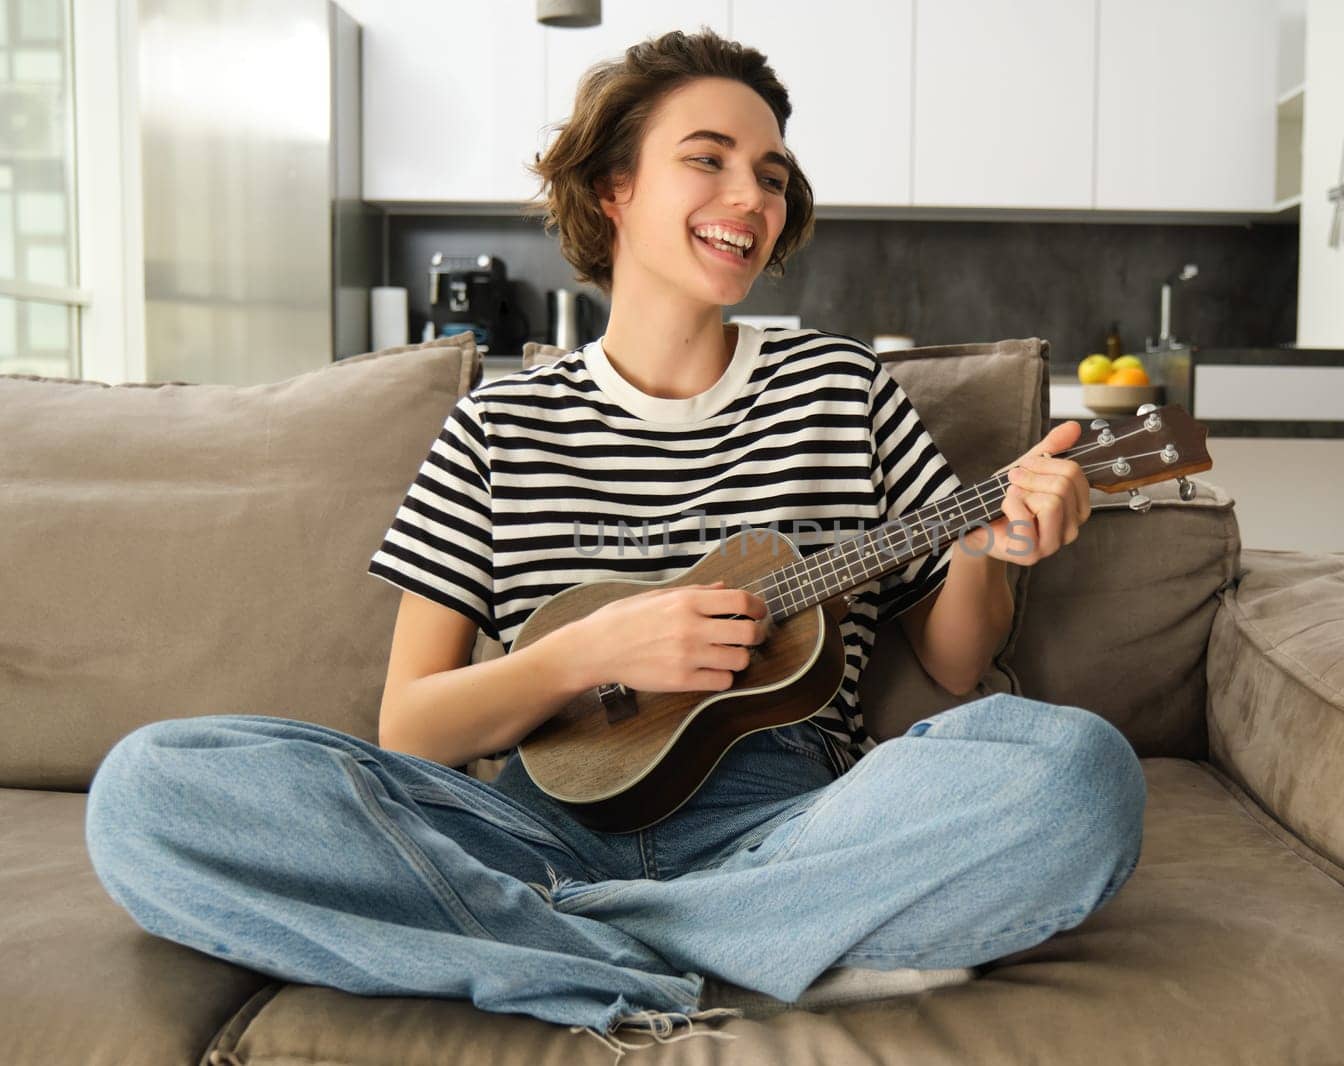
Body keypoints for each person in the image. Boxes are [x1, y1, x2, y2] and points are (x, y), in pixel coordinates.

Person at [83, 27, 1145, 1062]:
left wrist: (990, 544)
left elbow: (957, 661)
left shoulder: (842, 387)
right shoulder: (496, 427)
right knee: (149, 791)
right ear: (614, 190)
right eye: (708, 161)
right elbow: (411, 728)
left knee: (1077, 776)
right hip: (525, 832)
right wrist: (587, 655)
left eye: (772, 175)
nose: (752, 198)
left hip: (786, 824)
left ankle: (574, 953)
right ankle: (736, 952)